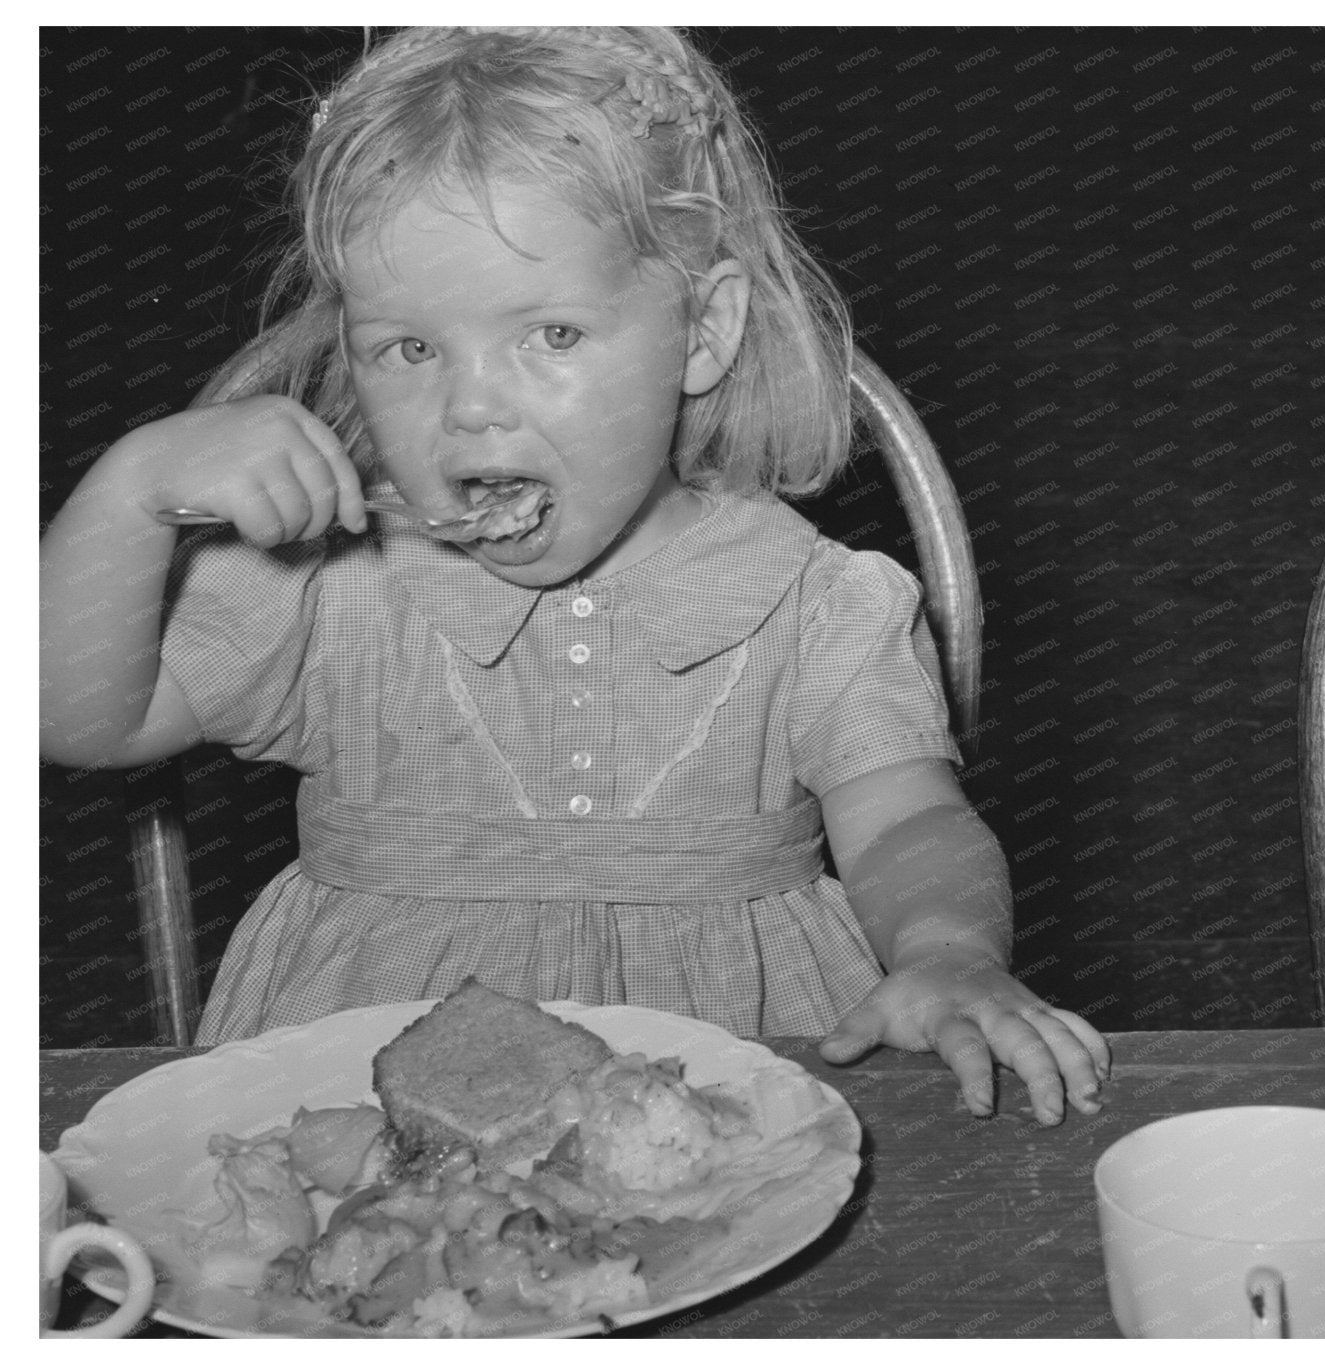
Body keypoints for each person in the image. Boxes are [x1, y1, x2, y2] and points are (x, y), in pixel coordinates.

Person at [40, 27, 1107, 1124]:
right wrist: (129, 491)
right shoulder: (329, 586)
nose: (470, 406)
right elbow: (75, 719)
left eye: (548, 333)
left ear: (702, 329)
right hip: (363, 1090)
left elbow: (903, 827)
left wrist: (946, 953)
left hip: (731, 1081)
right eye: (408, 349)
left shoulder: (815, 604)